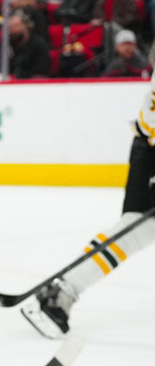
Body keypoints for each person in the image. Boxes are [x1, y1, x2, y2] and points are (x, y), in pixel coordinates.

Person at [19, 79, 155, 338]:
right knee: (137, 228)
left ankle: (63, 291)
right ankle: (62, 292)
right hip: (149, 147)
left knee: (137, 229)